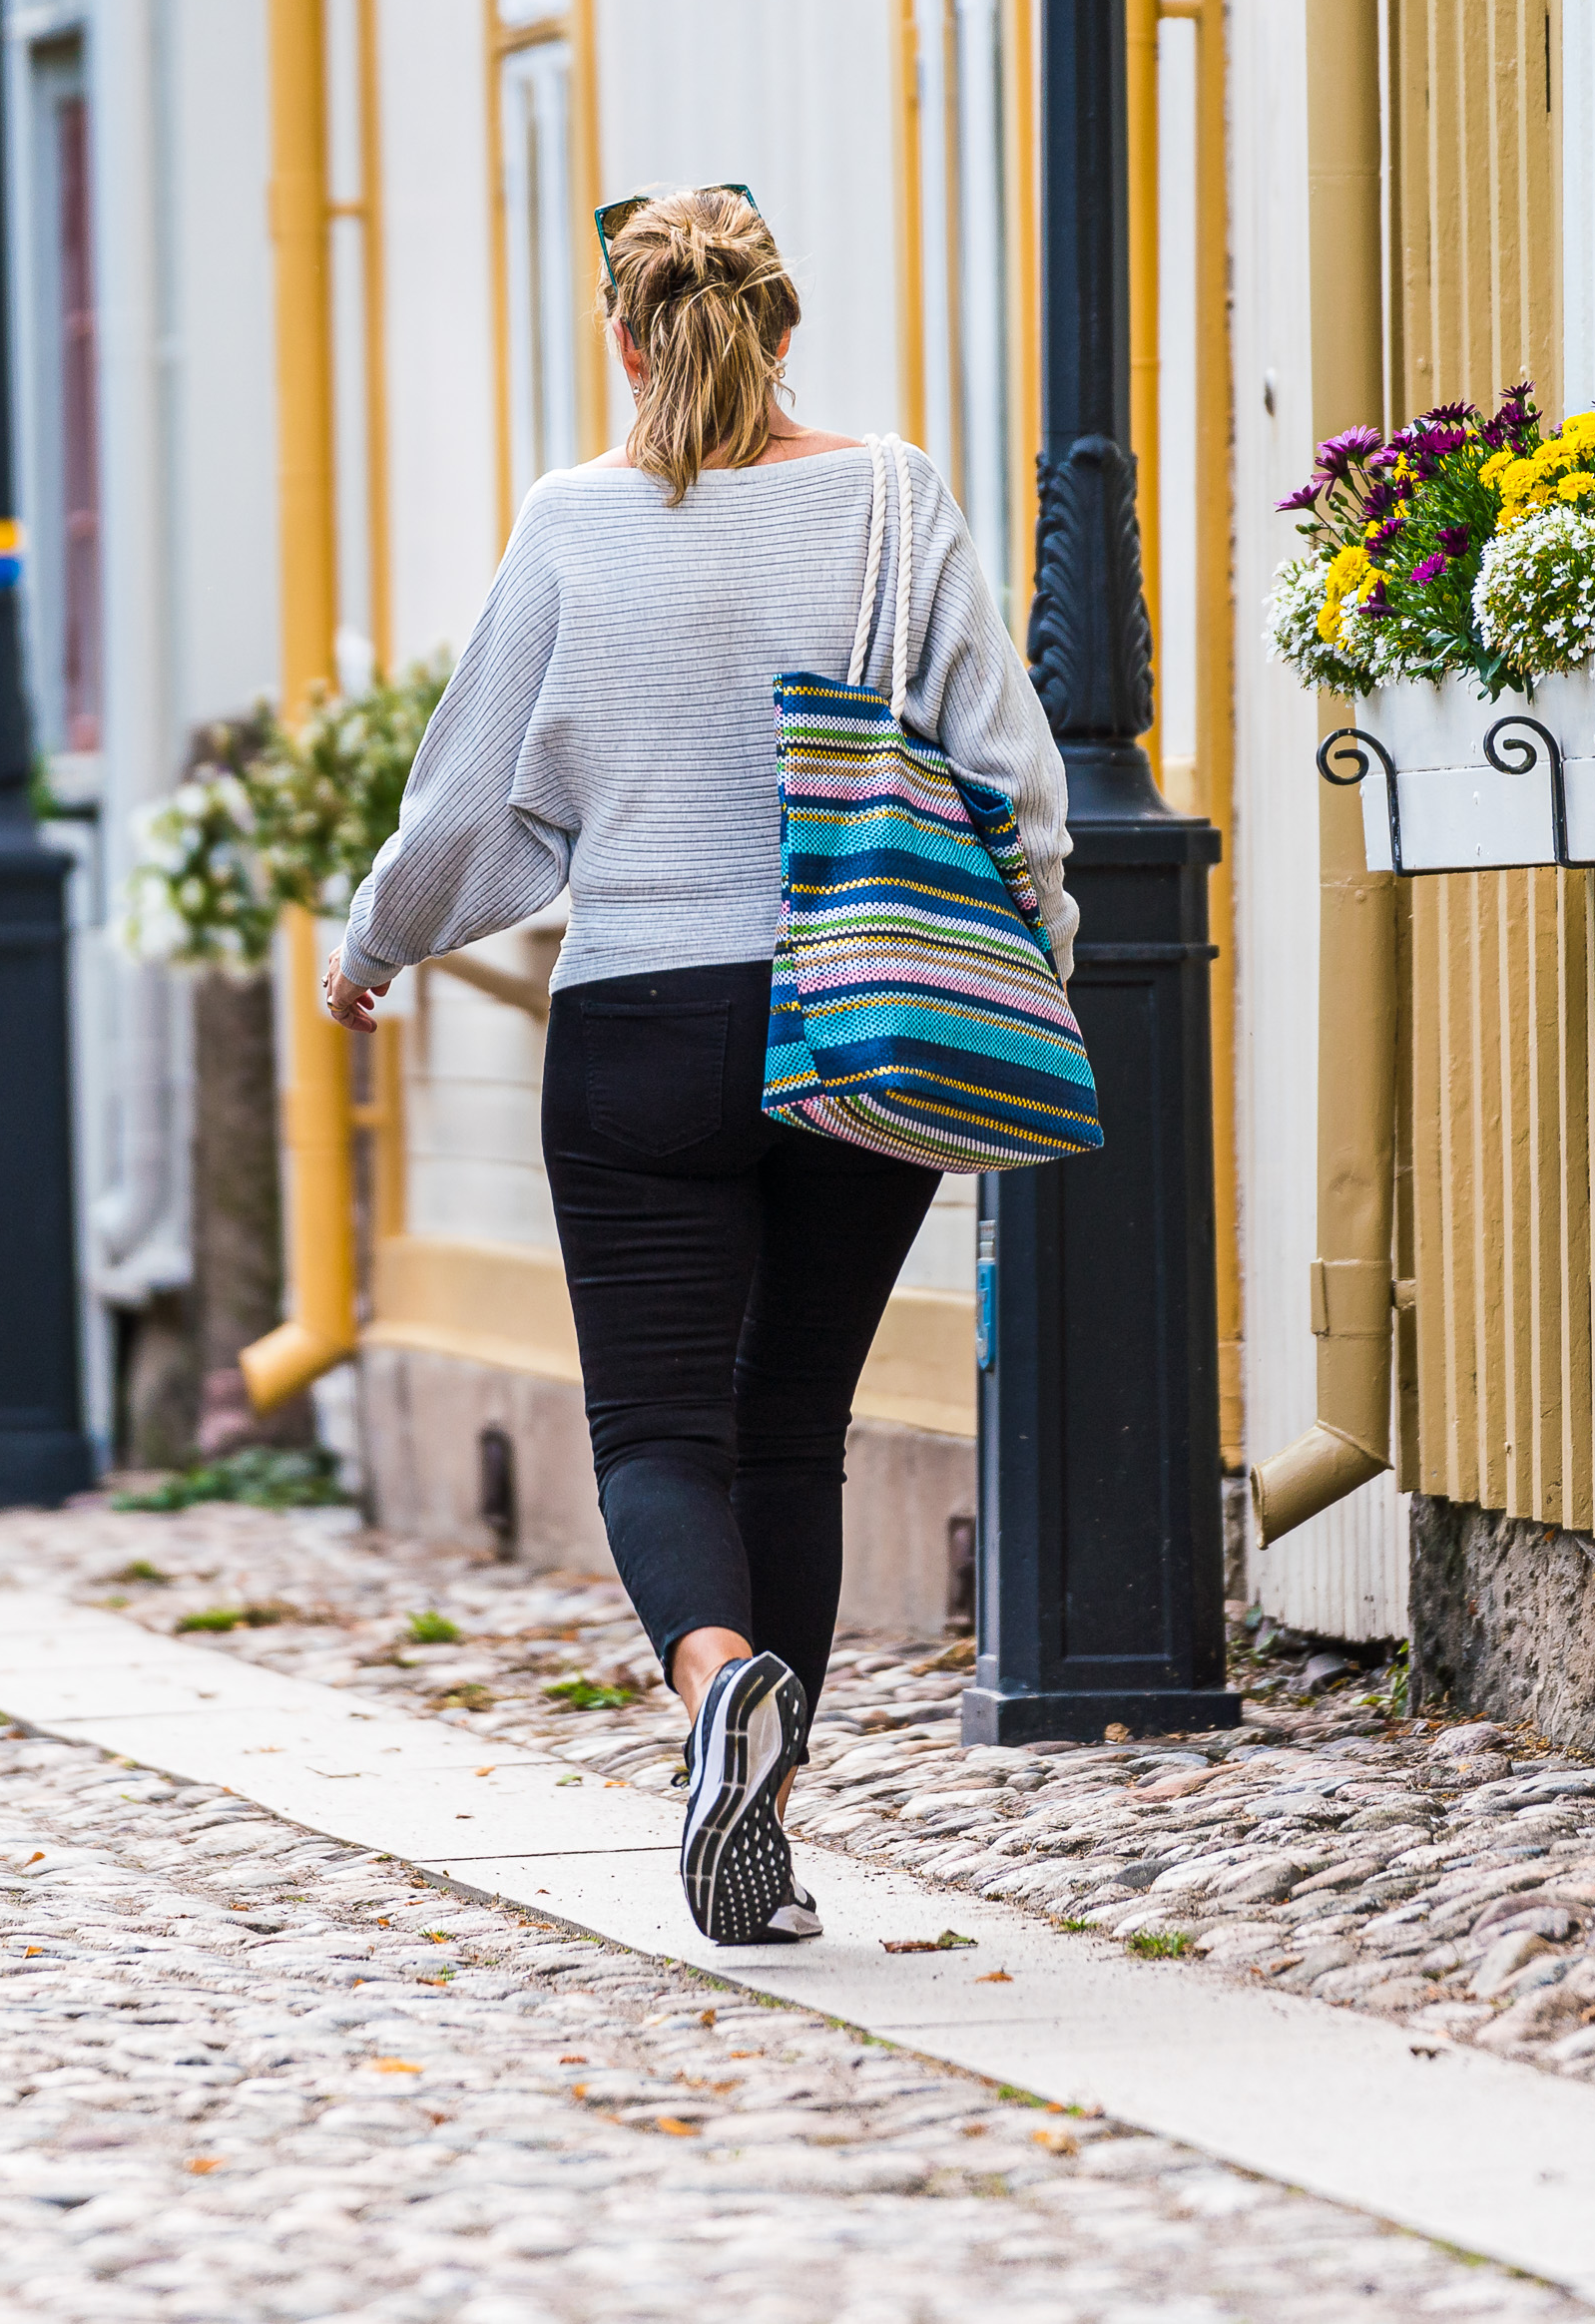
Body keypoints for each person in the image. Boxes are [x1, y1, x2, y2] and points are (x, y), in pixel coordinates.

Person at [320, 186, 1071, 1947]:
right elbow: (1010, 771)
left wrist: (372, 950)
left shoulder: (574, 523)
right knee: (794, 1425)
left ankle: (715, 1680)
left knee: (660, 1429)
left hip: (644, 1019)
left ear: (627, 337)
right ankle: (768, 1831)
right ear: (783, 326)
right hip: (858, 1013)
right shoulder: (892, 501)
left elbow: (468, 793)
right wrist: (1034, 941)